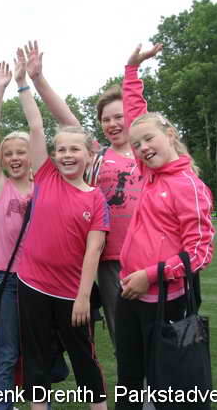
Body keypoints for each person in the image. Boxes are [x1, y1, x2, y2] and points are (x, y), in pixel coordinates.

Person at [116, 44, 214, 409]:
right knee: (129, 380)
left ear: (170, 134)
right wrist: (131, 71)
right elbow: (135, 116)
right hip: (129, 292)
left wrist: (152, 275)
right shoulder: (147, 171)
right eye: (137, 144)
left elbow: (200, 252)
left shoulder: (189, 186)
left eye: (149, 139)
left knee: (170, 387)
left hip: (167, 301)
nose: (142, 148)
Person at [23, 39, 137, 347]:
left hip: (150, 255)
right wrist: (38, 79)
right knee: (124, 337)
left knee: (157, 333)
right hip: (112, 258)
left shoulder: (146, 154)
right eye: (106, 119)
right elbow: (67, 121)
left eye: (119, 116)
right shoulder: (97, 155)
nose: (112, 123)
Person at [17, 44, 110, 410]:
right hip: (32, 285)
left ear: (89, 154)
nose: (67, 155)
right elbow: (35, 125)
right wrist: (23, 83)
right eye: (61, 150)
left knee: (84, 357)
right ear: (53, 155)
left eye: (75, 150)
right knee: (36, 357)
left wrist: (84, 296)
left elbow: (93, 250)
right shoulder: (45, 176)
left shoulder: (95, 198)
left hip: (73, 294)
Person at [0, 57, 33, 410]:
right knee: (6, 351)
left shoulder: (43, 185)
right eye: (9, 154)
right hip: (6, 277)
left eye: (22, 152)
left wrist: (24, 84)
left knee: (37, 350)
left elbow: (37, 126)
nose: (15, 158)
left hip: (40, 280)